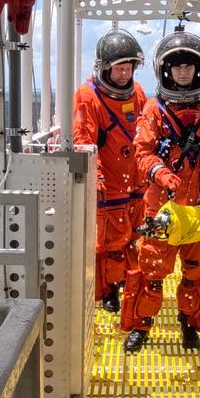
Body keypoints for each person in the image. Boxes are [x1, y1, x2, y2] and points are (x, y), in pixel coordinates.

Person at [121, 30, 200, 354]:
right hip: (161, 207)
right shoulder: (154, 109)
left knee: (194, 274)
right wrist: (160, 172)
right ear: (166, 70)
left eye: (189, 65)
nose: (183, 72)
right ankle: (141, 327)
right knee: (151, 271)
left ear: (199, 69)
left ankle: (187, 325)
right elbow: (142, 151)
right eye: (177, 66)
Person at [73, 28, 147, 314]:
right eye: (119, 68)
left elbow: (145, 128)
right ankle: (109, 292)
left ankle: (130, 285)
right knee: (109, 244)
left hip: (136, 180)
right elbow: (84, 140)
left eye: (129, 68)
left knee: (133, 237)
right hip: (110, 183)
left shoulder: (138, 92)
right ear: (105, 66)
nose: (124, 74)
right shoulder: (87, 96)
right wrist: (98, 177)